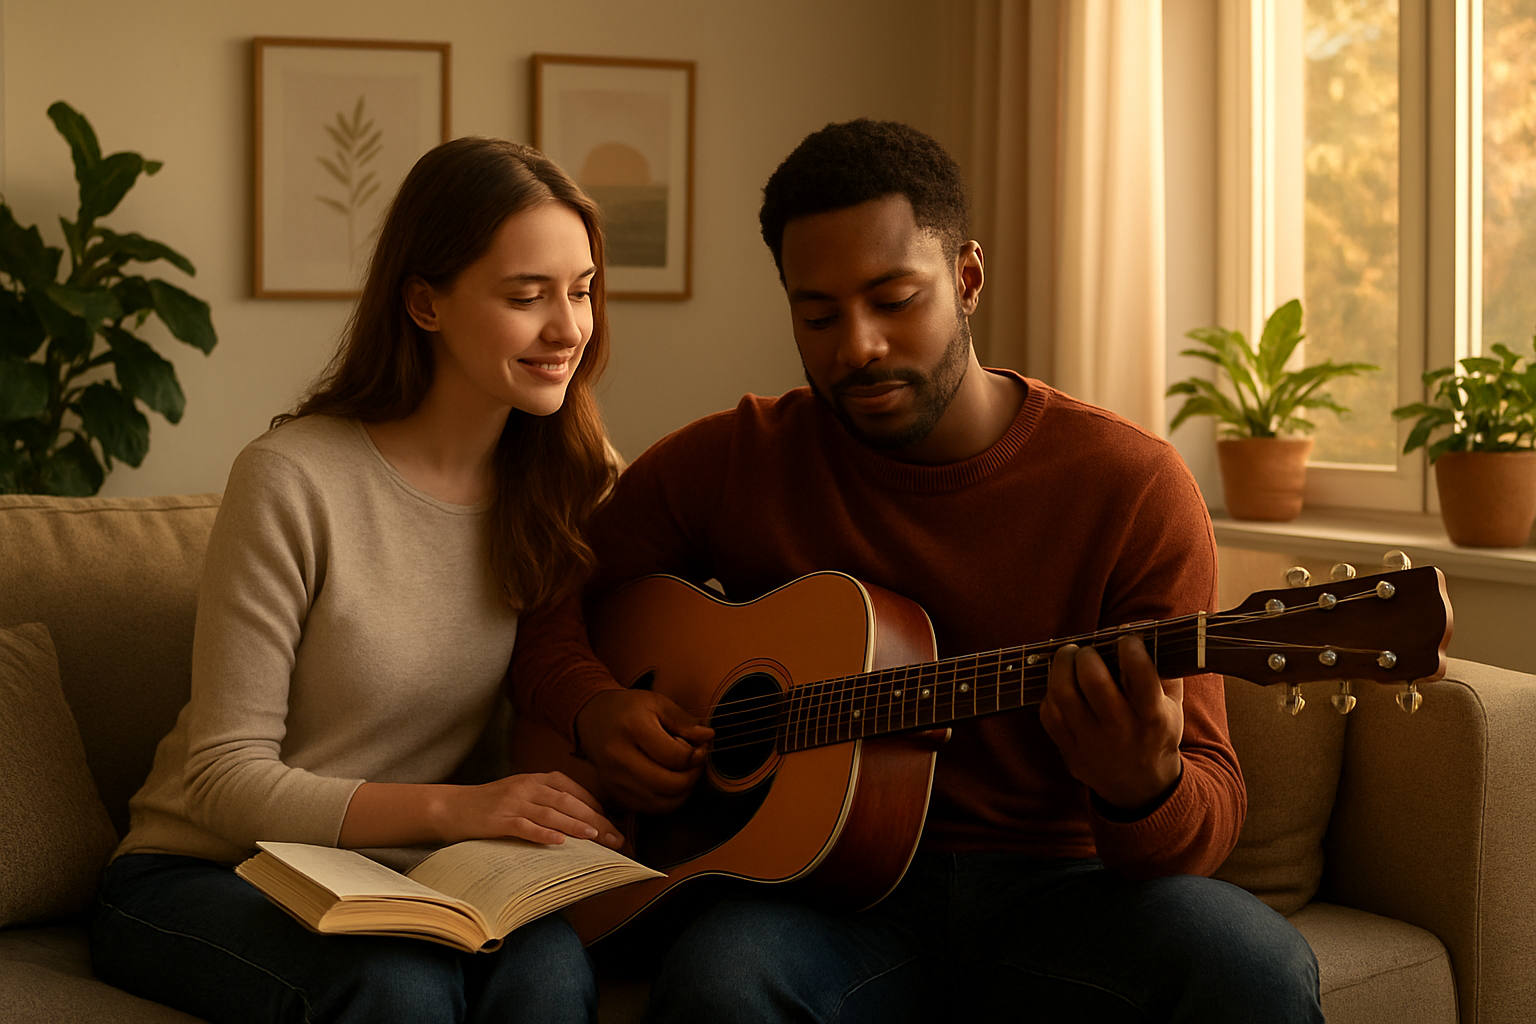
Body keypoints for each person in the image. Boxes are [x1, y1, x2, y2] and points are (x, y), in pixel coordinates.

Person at [508, 119, 1324, 1022]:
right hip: (819, 900)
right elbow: (550, 593)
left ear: (967, 278)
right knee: (721, 980)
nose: (856, 346)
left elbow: (1206, 808)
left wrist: (1144, 786)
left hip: (1061, 890)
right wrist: (594, 704)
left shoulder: (1129, 486)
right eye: (818, 315)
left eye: (894, 300)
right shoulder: (737, 459)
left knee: (1258, 967)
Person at [90, 137, 625, 1024]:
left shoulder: (575, 478)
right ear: (425, 302)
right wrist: (459, 811)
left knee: (550, 974)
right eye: (526, 295)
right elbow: (224, 778)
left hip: (415, 876)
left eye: (581, 290)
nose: (569, 328)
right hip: (205, 868)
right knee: (397, 988)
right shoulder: (292, 478)